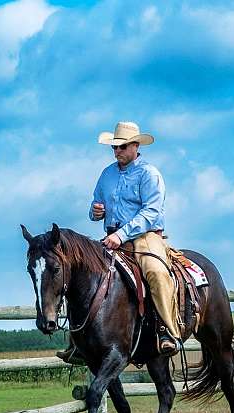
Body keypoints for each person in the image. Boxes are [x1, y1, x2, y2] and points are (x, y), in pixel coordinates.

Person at [57, 121, 180, 363]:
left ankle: (168, 331)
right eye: (114, 148)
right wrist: (96, 211)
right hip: (111, 237)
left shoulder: (149, 174)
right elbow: (94, 206)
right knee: (82, 273)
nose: (117, 152)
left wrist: (121, 235)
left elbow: (151, 212)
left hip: (144, 236)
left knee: (155, 272)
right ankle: (78, 341)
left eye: (122, 147)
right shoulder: (107, 174)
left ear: (136, 146)